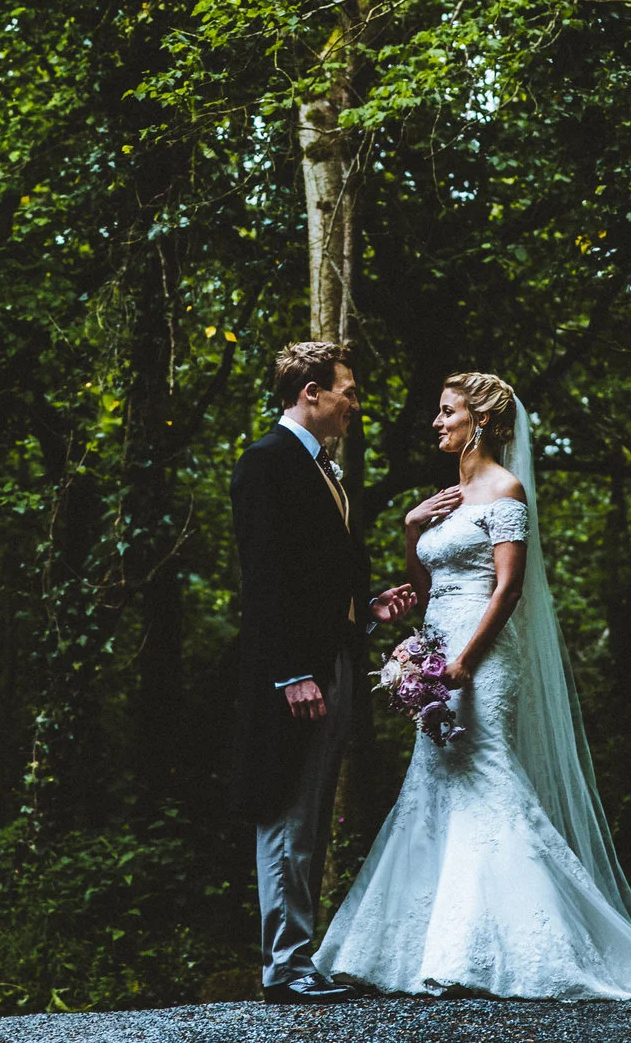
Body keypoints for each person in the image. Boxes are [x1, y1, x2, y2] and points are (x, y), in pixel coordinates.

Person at [313, 372, 631, 999]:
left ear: (479, 422)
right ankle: (427, 947)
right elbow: (429, 584)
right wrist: (412, 531)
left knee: (485, 775)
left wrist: (467, 658)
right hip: (437, 648)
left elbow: (509, 588)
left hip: (482, 656)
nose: (436, 422)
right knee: (433, 783)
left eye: (446, 412)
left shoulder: (504, 490)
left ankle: (513, 947)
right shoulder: (447, 496)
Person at [229, 341, 420, 1004]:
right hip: (293, 673)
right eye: (349, 391)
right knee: (286, 809)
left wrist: (367, 612)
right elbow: (266, 579)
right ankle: (285, 966)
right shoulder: (267, 462)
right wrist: (288, 672)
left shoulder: (326, 472)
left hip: (332, 659)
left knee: (309, 815)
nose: (355, 405)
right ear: (310, 390)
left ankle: (297, 956)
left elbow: (315, 579)